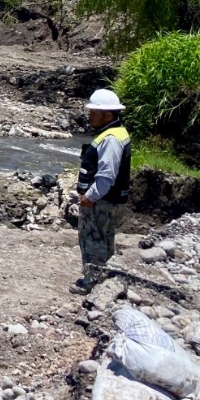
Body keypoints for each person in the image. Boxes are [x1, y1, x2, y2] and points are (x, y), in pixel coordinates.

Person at [71, 88, 132, 295]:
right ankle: (104, 280)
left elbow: (107, 175)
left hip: (101, 201)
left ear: (108, 115)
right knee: (104, 238)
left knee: (92, 240)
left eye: (93, 113)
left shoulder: (111, 139)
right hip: (109, 200)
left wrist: (90, 196)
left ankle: (93, 282)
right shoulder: (116, 133)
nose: (89, 116)